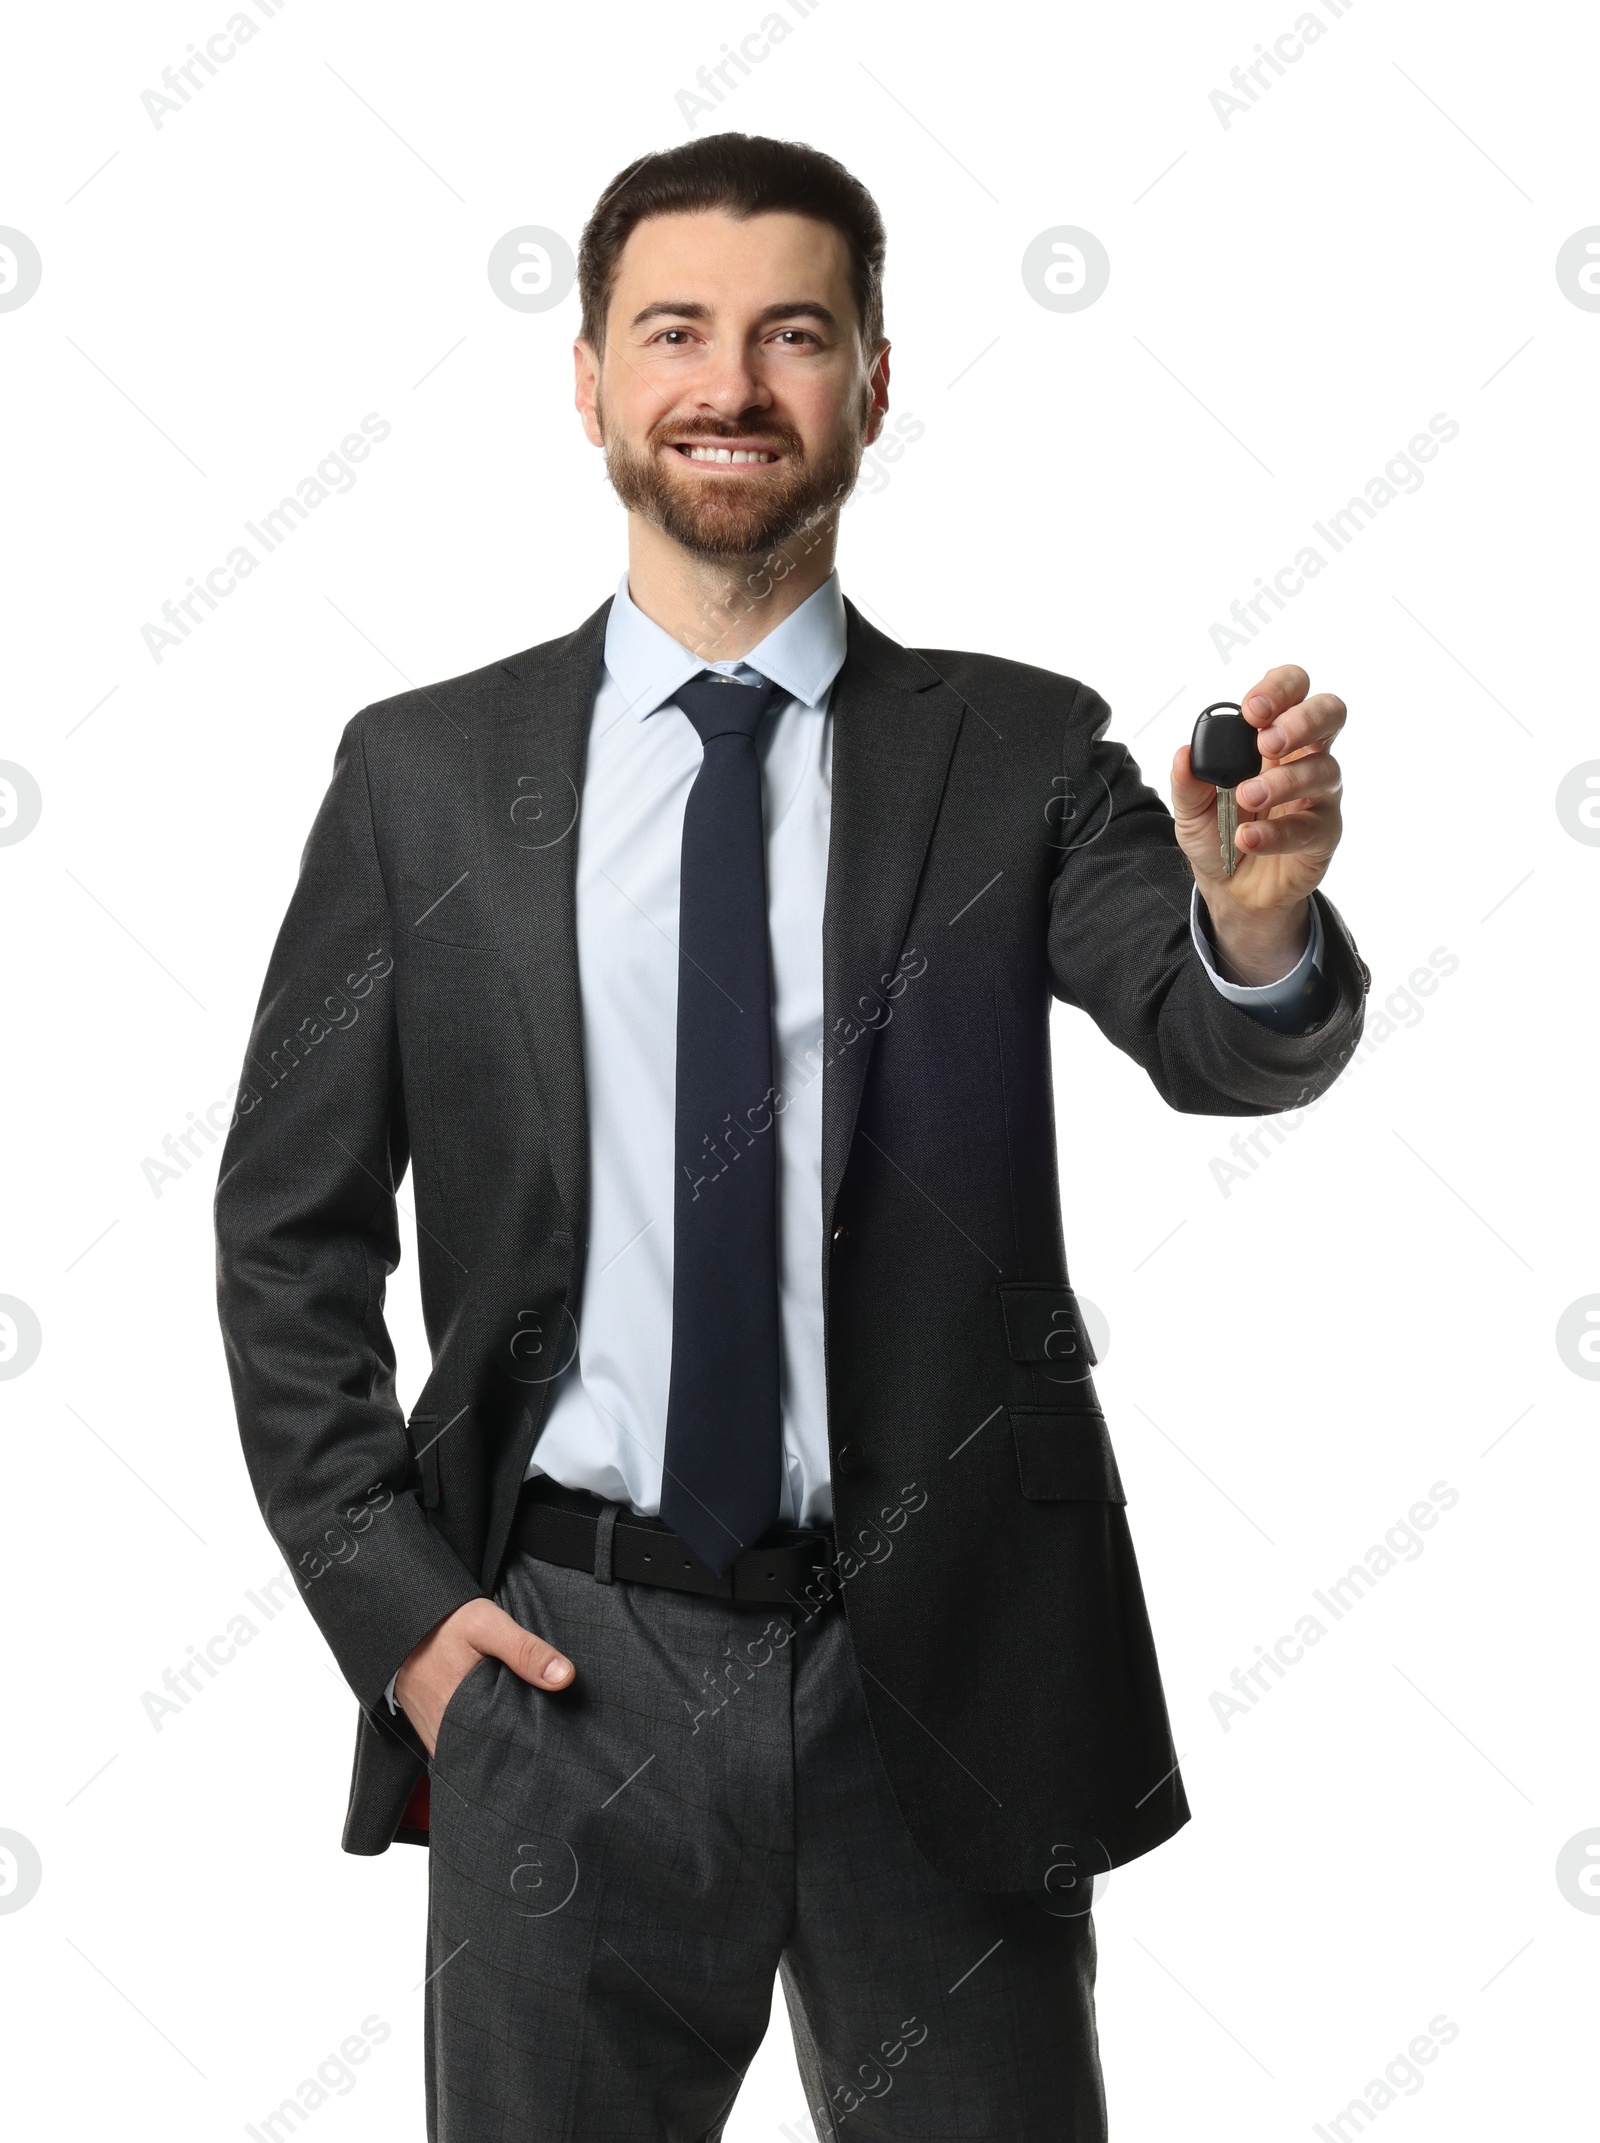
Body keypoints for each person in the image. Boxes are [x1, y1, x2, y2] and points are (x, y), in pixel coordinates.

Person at [215, 129, 1367, 2143]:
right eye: (673, 329)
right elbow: (286, 1236)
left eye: (792, 334)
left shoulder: (1011, 750)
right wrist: (407, 1629)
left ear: (871, 382)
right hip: (555, 1679)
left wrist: (1252, 923)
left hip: (937, 1673)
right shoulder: (422, 776)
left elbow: (1209, 1033)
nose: (728, 383)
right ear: (586, 378)